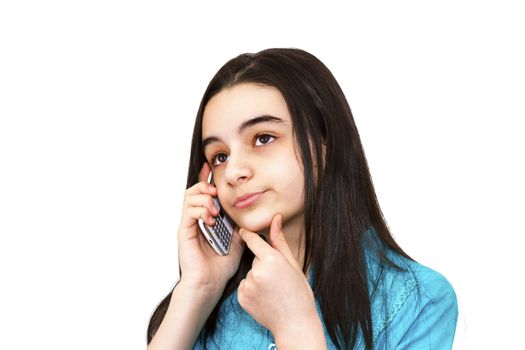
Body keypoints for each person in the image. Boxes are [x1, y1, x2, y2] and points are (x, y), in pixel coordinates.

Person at [146, 48, 458, 350]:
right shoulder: (209, 306)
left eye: (263, 138)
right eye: (219, 156)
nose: (234, 172)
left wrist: (295, 327)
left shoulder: (417, 299)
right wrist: (200, 287)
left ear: (326, 143)